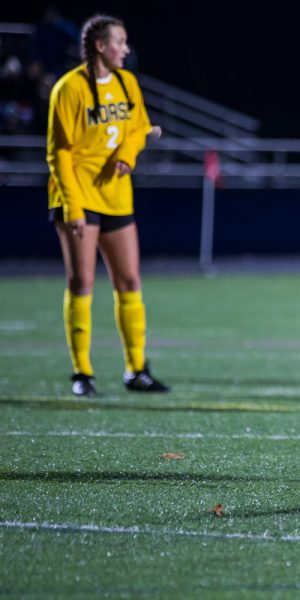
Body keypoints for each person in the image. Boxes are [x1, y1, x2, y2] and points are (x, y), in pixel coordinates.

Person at [46, 14, 167, 397]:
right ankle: (82, 372)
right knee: (81, 282)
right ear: (100, 46)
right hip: (78, 195)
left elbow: (139, 129)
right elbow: (58, 153)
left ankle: (136, 369)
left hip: (116, 195)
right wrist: (73, 207)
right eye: (120, 42)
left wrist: (128, 155)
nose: (126, 49)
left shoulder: (127, 83)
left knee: (129, 281)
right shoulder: (68, 89)